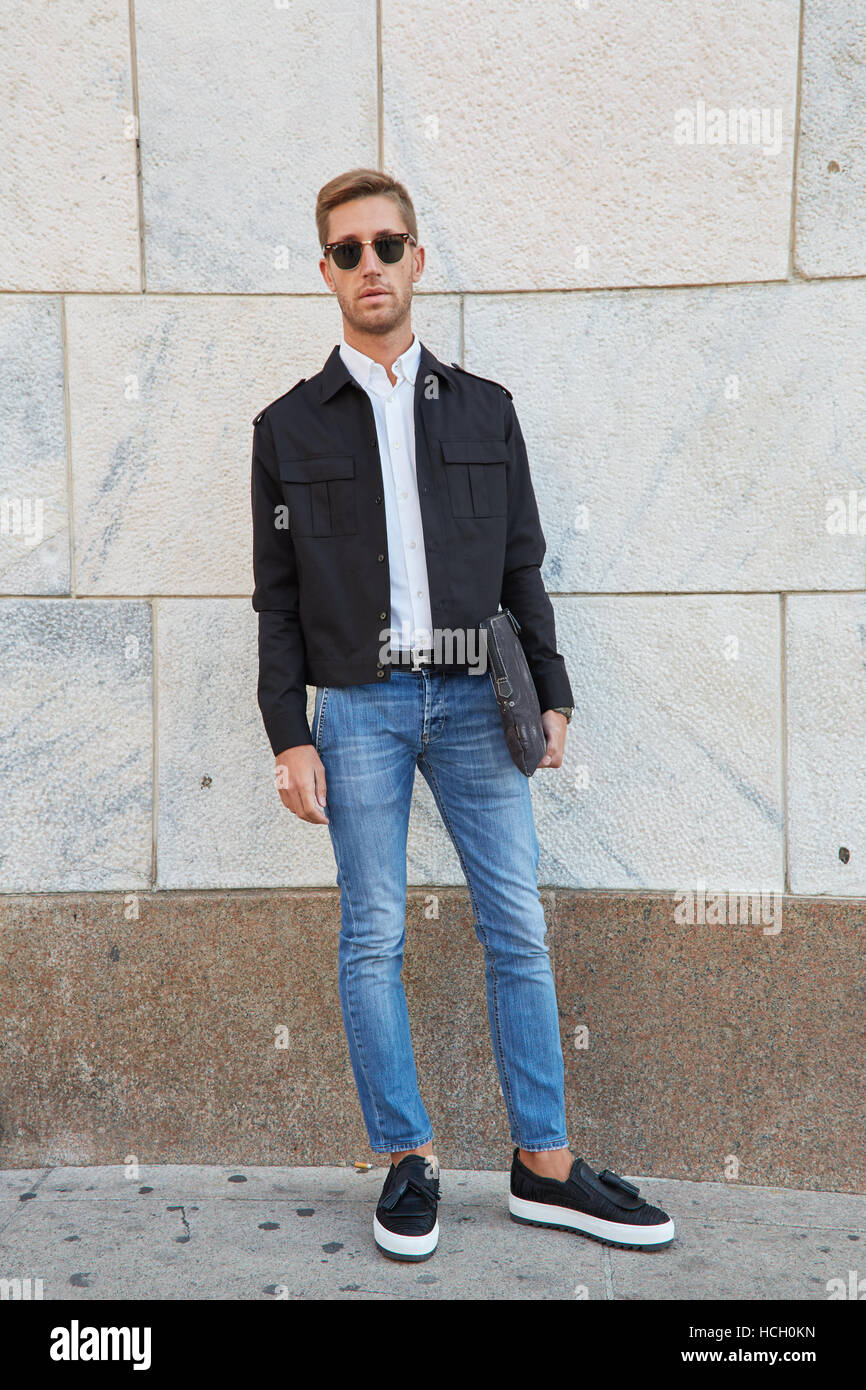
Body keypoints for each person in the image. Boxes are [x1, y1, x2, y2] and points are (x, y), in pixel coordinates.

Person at [250, 167, 674, 1261]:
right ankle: (407, 1159)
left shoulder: (484, 409)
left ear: (417, 259)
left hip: (478, 698)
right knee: (372, 938)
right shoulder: (285, 428)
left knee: (516, 929)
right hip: (358, 706)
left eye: (387, 244)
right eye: (347, 250)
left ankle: (542, 1164)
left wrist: (555, 687)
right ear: (325, 272)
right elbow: (277, 597)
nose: (370, 264)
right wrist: (286, 731)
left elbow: (523, 560)